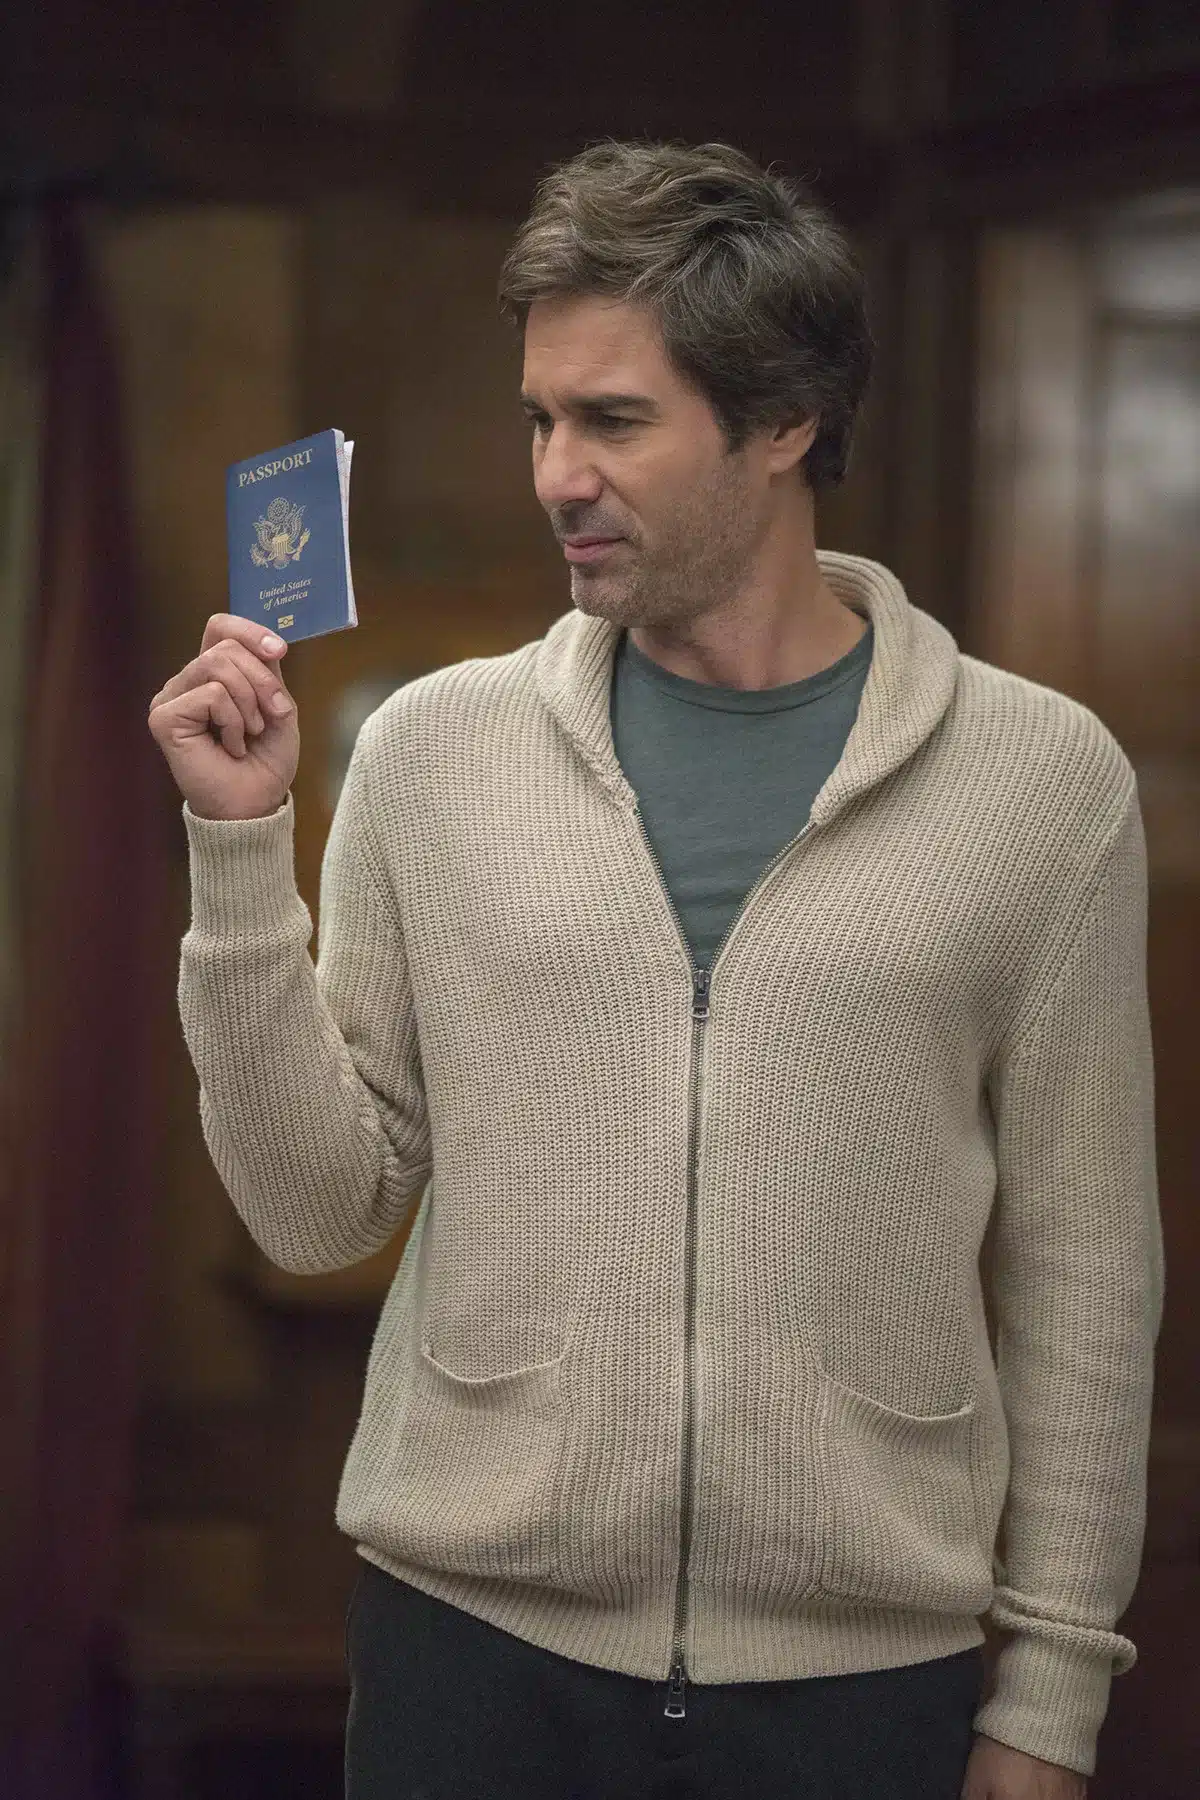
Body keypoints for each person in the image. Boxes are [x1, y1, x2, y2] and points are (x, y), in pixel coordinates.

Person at [148, 139, 1162, 1800]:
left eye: (614, 421)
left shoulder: (1040, 786)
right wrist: (242, 853)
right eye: (540, 419)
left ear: (786, 422)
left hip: (861, 1686)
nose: (558, 473)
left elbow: (1087, 1265)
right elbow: (315, 1211)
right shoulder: (429, 754)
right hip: (467, 1660)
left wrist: (1050, 1697)